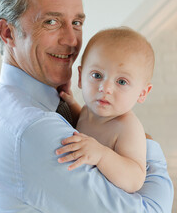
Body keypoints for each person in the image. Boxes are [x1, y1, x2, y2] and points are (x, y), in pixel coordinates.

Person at [0, 0, 174, 212]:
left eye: (77, 23)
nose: (72, 40)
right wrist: (148, 148)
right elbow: (150, 210)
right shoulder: (35, 129)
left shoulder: (36, 103)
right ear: (8, 32)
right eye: (51, 22)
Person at [56, 27, 154, 193]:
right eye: (97, 75)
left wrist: (101, 155)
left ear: (142, 93)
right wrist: (71, 104)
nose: (105, 88)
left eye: (121, 82)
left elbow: (135, 179)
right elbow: (82, 123)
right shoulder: (87, 111)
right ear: (80, 77)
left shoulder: (127, 127)